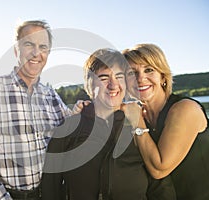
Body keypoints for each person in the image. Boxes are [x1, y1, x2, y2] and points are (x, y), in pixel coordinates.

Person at [0, 20, 74, 200]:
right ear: (17, 49)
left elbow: (72, 128)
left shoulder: (51, 96)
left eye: (43, 47)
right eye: (29, 44)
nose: (36, 53)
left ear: (48, 53)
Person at [41, 48, 155, 200]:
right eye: (103, 77)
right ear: (89, 85)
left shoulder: (141, 124)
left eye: (119, 77)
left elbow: (160, 185)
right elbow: (51, 188)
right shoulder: (67, 129)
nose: (113, 85)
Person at [122, 43, 209, 200]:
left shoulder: (185, 109)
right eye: (132, 73)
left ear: (163, 76)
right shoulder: (137, 114)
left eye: (149, 70)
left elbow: (159, 169)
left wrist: (137, 121)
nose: (140, 78)